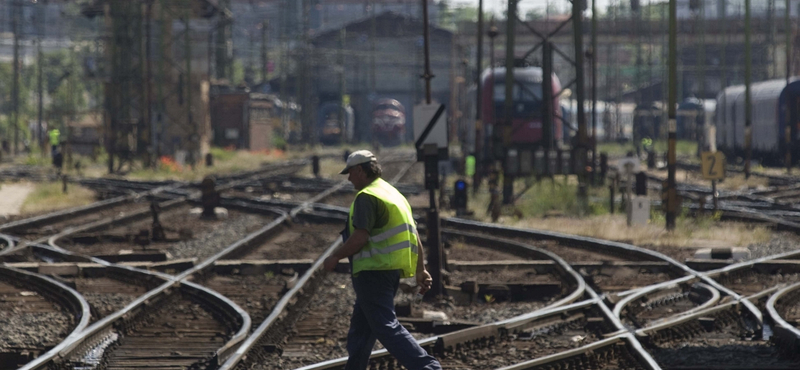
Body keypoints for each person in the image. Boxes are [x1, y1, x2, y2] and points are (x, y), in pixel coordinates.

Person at [323, 150, 442, 370]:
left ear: (360, 170)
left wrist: (335, 256)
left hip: (372, 272)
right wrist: (420, 270)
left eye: (350, 173)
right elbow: (414, 236)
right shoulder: (393, 194)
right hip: (389, 272)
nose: (348, 179)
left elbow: (360, 236)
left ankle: (428, 368)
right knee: (361, 329)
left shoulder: (367, 196)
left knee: (386, 327)